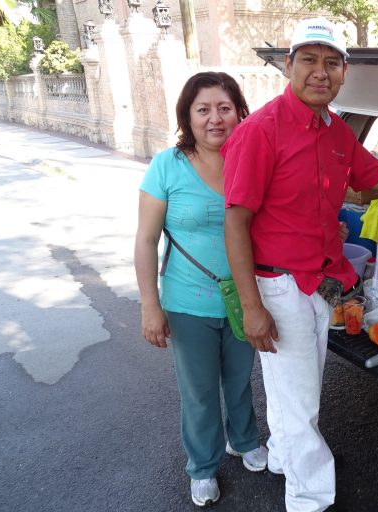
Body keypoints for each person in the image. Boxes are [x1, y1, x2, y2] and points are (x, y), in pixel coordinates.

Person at [222, 17, 378, 512]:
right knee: (300, 405)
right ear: (289, 67)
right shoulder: (261, 131)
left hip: (321, 281)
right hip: (277, 286)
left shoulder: (334, 130)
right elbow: (235, 222)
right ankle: (308, 499)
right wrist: (252, 307)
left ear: (344, 72)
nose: (320, 72)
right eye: (309, 60)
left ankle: (282, 456)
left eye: (331, 62)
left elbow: (374, 178)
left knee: (295, 393)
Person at [133, 72, 267, 508]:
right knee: (200, 391)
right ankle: (203, 466)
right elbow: (145, 241)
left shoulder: (251, 158)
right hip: (187, 302)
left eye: (224, 108)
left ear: (239, 112)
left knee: (240, 380)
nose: (215, 119)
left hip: (246, 297)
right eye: (203, 110)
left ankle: (244, 440)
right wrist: (149, 306)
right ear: (187, 117)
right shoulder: (166, 166)